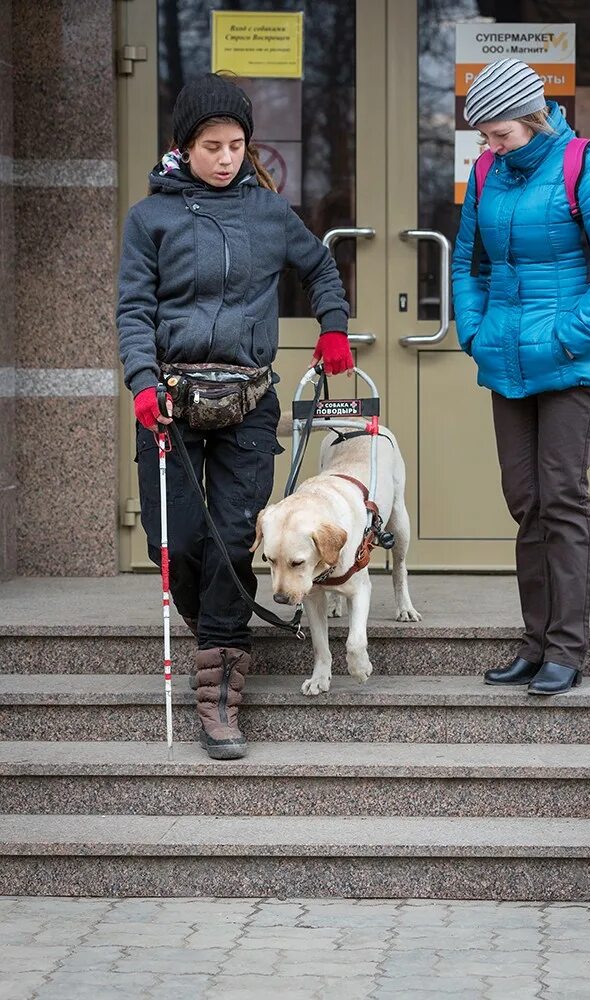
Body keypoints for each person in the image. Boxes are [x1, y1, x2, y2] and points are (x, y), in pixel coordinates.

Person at [117, 73, 353, 758]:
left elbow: (323, 270)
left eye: (236, 145)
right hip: (169, 401)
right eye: (211, 145)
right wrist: (139, 380)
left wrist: (332, 326)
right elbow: (133, 308)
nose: (225, 157)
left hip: (249, 401)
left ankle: (220, 693)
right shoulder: (149, 219)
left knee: (229, 539)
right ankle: (215, 630)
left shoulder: (269, 213)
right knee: (177, 543)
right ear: (182, 147)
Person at [452, 59, 590, 696]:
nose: (489, 146)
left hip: (570, 365)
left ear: (532, 119)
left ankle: (566, 648)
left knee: (562, 498)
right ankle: (534, 645)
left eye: (499, 134)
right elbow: (468, 261)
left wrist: (568, 335)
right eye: (483, 136)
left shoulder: (586, 166)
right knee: (526, 501)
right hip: (506, 361)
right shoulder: (487, 173)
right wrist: (474, 329)